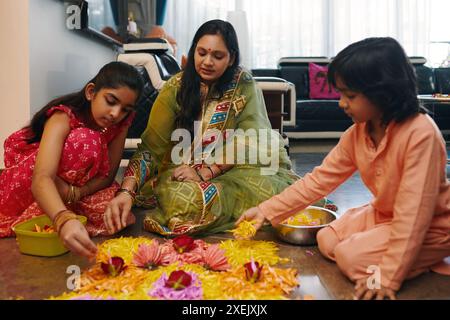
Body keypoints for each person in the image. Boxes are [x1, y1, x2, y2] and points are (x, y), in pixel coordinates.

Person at [237, 37, 450, 300]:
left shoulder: (421, 134)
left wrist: (386, 276)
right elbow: (318, 181)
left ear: (382, 94)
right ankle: (387, 248)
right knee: (326, 239)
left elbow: (413, 216)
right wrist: (266, 210)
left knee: (350, 259)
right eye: (340, 94)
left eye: (349, 95)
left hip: (430, 226)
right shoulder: (358, 132)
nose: (341, 103)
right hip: (384, 214)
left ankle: (416, 257)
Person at [104, 19, 329, 236]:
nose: (207, 62)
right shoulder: (175, 88)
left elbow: (252, 138)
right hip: (182, 173)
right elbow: (150, 149)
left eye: (217, 56)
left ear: (231, 59)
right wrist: (126, 192)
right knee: (183, 201)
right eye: (201, 53)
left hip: (235, 170)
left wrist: (205, 172)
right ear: (193, 52)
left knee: (289, 197)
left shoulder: (244, 83)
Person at [0, 61, 144, 259]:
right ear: (91, 92)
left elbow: (108, 175)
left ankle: (66, 205)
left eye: (125, 109)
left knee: (117, 216)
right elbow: (41, 178)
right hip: (38, 179)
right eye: (111, 101)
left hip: (76, 189)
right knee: (87, 140)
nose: (116, 114)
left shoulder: (121, 121)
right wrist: (63, 218)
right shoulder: (63, 116)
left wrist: (77, 193)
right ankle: (56, 208)